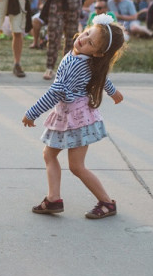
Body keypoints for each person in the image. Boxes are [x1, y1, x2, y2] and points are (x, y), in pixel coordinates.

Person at [22, 15, 125, 220]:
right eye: (86, 33)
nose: (82, 39)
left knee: (75, 166)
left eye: (90, 42)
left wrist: (32, 113)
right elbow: (101, 76)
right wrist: (114, 93)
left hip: (74, 119)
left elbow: (55, 93)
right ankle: (54, 199)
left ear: (98, 53)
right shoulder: (84, 58)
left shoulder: (74, 63)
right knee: (51, 155)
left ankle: (106, 202)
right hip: (76, 115)